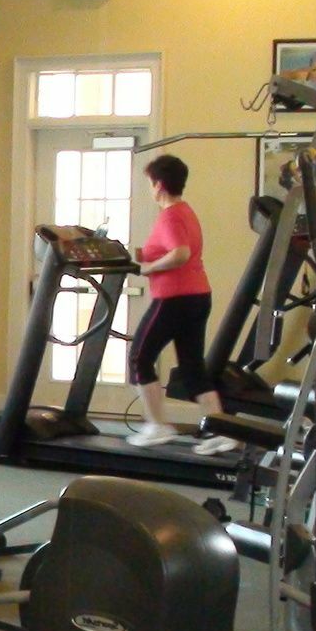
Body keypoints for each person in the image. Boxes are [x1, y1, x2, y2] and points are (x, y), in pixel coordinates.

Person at [125, 154, 239, 456]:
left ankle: (157, 424)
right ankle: (221, 431)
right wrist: (141, 254)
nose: (151, 188)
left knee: (139, 358)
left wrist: (148, 269)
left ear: (159, 184)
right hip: (198, 296)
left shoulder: (170, 215)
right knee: (192, 368)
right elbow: (173, 250)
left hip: (174, 298)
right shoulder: (186, 211)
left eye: (151, 183)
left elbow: (180, 253)